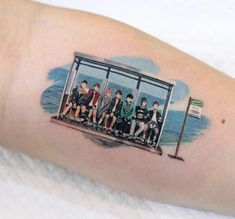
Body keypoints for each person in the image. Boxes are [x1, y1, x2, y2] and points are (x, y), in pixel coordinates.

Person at [1, 1, 235, 215]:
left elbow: (20, 45)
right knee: (99, 115)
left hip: (132, 120)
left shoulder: (137, 107)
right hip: (101, 112)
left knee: (138, 124)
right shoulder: (94, 95)